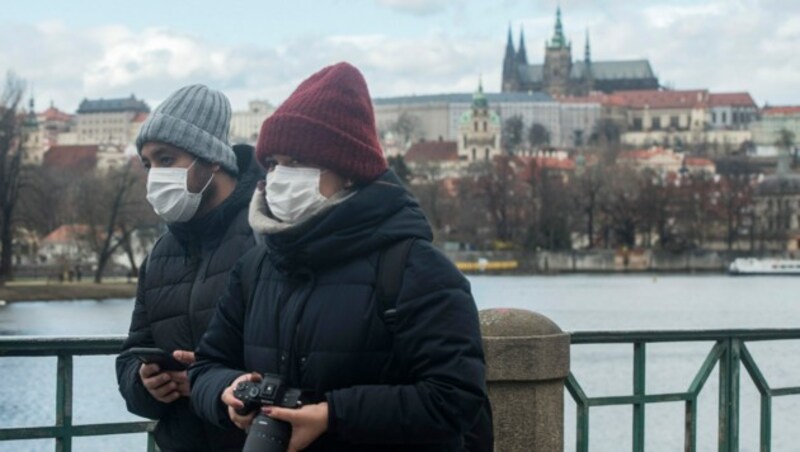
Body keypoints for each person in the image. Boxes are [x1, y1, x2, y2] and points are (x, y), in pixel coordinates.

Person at [190, 62, 490, 451]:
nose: (279, 177)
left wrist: (333, 415)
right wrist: (225, 391)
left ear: (348, 172)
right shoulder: (256, 266)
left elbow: (455, 398)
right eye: (274, 164)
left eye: (296, 163)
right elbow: (206, 366)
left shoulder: (416, 268)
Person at [116, 84, 262, 452]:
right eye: (148, 164)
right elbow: (134, 350)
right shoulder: (161, 252)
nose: (154, 176)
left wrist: (209, 382)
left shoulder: (266, 236)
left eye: (166, 160)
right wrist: (145, 383)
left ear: (211, 159)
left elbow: (298, 358)